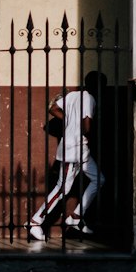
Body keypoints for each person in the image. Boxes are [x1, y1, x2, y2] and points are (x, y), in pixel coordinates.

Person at [28, 71, 105, 239]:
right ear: (97, 86)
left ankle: (76, 217)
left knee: (99, 179)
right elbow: (86, 127)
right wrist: (86, 128)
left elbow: (52, 108)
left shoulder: (74, 95)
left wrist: (69, 119)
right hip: (74, 150)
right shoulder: (90, 99)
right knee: (62, 189)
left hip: (79, 151)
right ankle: (35, 221)